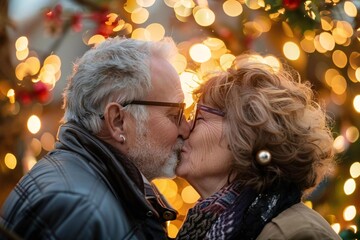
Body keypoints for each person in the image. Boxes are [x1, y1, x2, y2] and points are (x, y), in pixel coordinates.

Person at [0, 37, 190, 239]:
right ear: (118, 121)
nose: (185, 129)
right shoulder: (80, 212)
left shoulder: (84, 192)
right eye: (174, 115)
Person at [176, 54, 341, 239]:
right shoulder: (205, 224)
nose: (185, 129)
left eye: (199, 117)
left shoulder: (297, 233)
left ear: (246, 135)